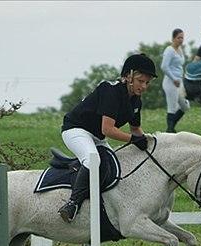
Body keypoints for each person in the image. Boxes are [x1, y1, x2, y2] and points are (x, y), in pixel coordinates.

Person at [57, 53, 156, 223]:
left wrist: (150, 145)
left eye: (147, 82)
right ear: (128, 76)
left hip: (97, 137)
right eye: (141, 81)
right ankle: (72, 204)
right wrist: (133, 139)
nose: (144, 86)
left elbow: (135, 129)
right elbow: (108, 129)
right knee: (92, 160)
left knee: (114, 166)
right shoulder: (110, 91)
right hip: (76, 130)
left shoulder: (136, 101)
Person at [161, 28, 190, 133]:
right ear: (173, 38)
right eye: (179, 38)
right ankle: (170, 130)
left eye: (182, 38)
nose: (181, 40)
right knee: (172, 106)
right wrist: (173, 78)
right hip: (170, 82)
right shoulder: (169, 50)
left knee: (185, 105)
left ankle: (172, 126)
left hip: (179, 81)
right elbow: (164, 66)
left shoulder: (180, 50)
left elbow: (179, 66)